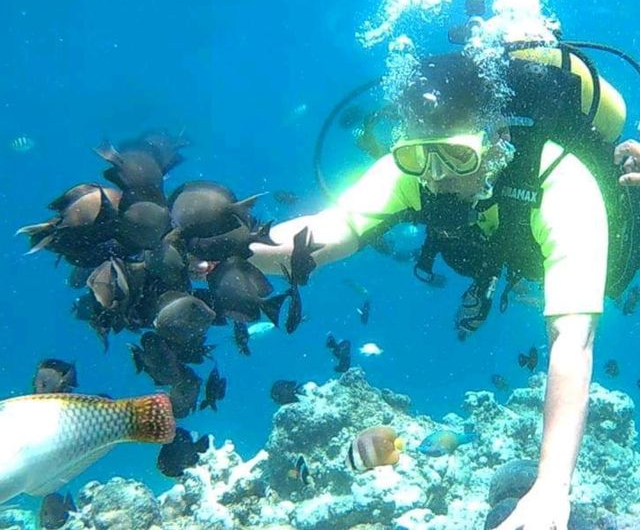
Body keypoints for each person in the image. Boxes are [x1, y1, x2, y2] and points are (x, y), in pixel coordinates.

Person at [249, 45, 640, 530]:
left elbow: (572, 341)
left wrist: (551, 488)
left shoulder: (562, 182)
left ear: (498, 139)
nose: (435, 176)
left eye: (456, 156)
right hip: (503, 245)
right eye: (418, 156)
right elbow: (332, 229)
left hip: (616, 243)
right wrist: (240, 249)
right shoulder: (416, 166)